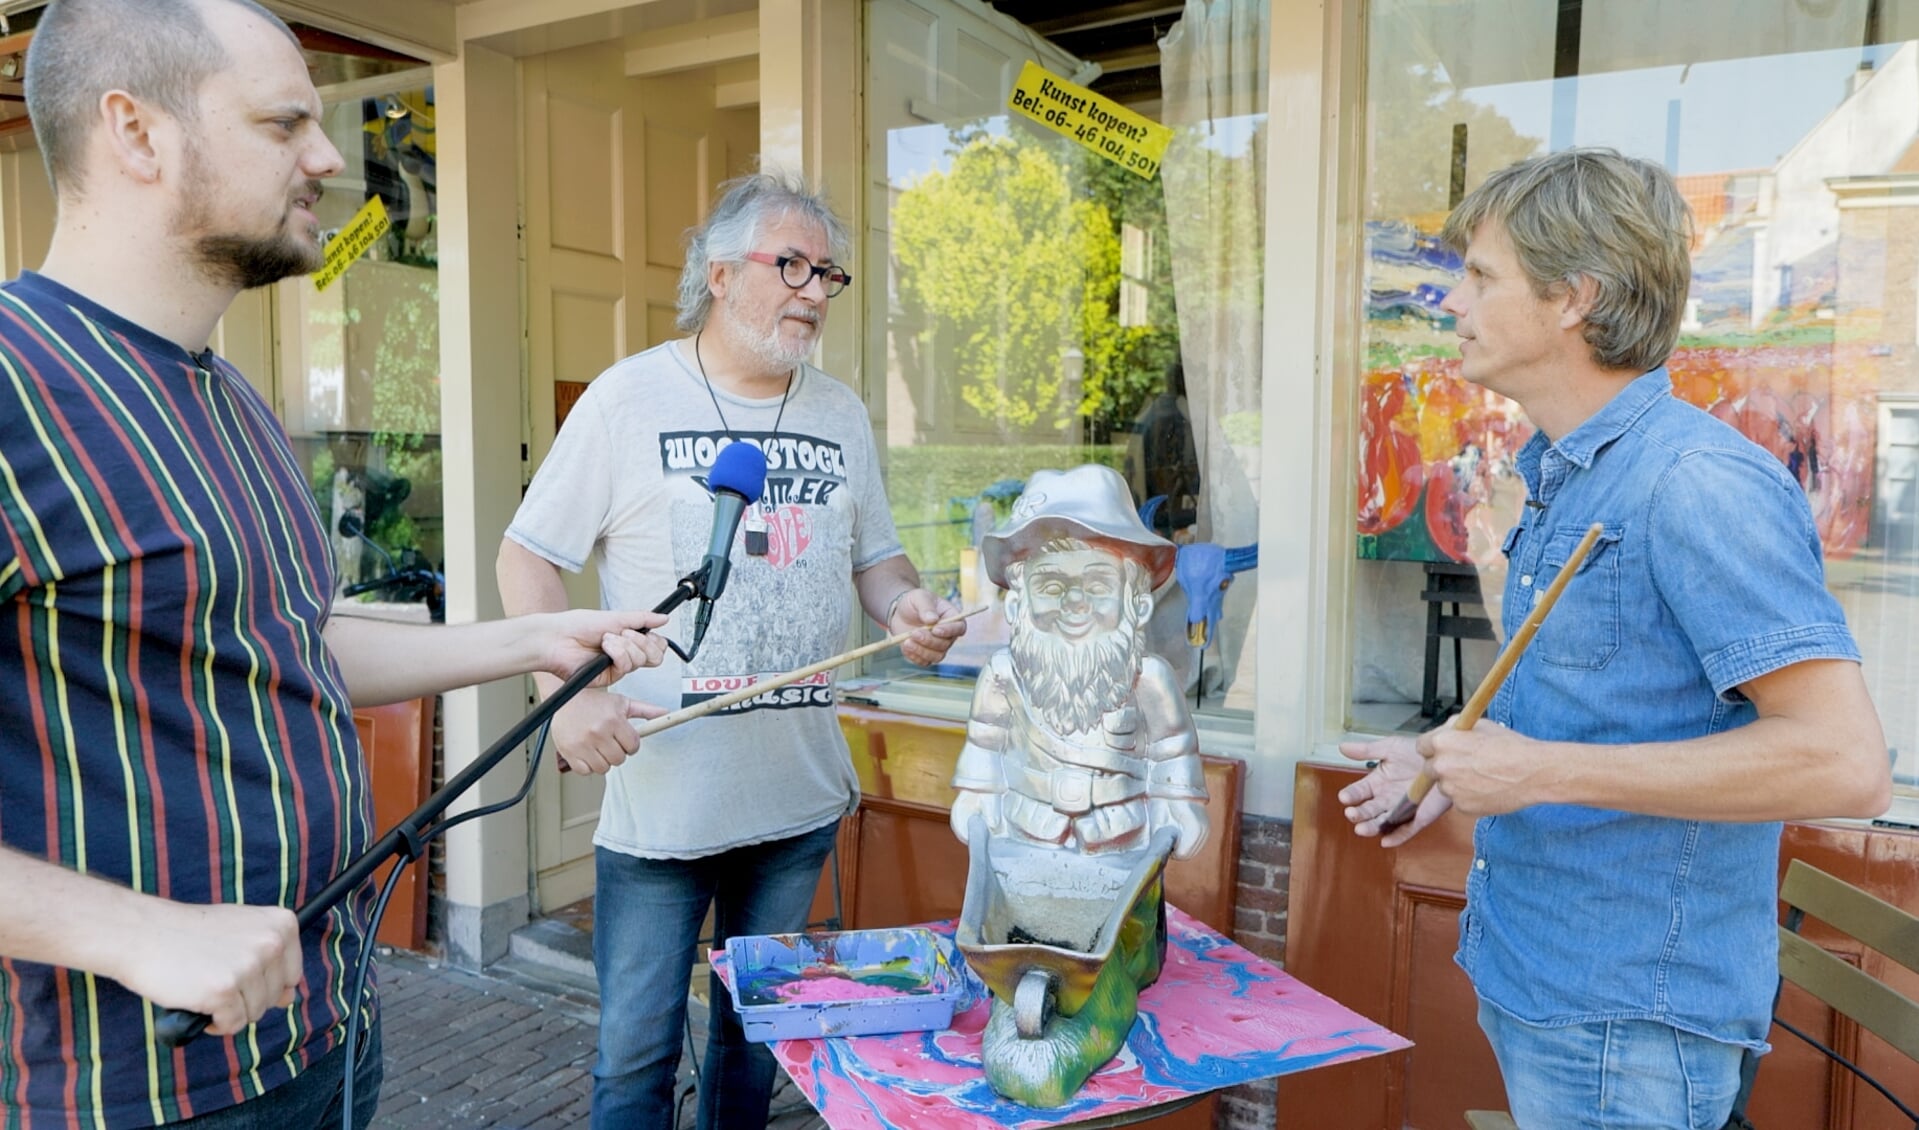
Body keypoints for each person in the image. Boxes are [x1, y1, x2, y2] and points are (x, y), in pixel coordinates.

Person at [0, 2, 674, 1128]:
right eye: (283, 124)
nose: (326, 157)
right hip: (128, 1089)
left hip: (327, 1031)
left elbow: (282, 642)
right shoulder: (14, 382)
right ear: (137, 131)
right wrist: (132, 929)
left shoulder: (233, 398)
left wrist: (530, 639)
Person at [1337, 147, 1891, 1129]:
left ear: (1570, 298)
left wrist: (1537, 771)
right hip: (1551, 980)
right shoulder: (1564, 471)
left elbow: (1843, 763)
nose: (1449, 302)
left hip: (1625, 1022)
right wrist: (1438, 760)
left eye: (1478, 275)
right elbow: (1599, 709)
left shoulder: (1692, 483)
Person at [496, 172, 965, 1130]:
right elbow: (527, 556)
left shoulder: (840, 412)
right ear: (718, 272)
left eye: (827, 273)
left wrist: (908, 605)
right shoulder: (627, 398)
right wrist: (572, 697)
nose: (812, 291)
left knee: (754, 1051)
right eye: (788, 264)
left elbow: (875, 559)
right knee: (634, 1059)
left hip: (795, 801)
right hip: (665, 808)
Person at [949, 464, 1209, 861]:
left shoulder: (1147, 679)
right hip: (1025, 827)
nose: (1074, 602)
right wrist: (978, 792)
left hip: (1121, 833)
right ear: (1018, 604)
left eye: (1098, 584)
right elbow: (986, 741)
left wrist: (1177, 802)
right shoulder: (1004, 676)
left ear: (1136, 604)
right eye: (1052, 586)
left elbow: (1172, 747)